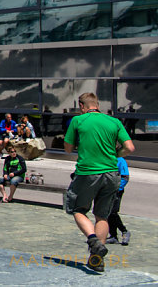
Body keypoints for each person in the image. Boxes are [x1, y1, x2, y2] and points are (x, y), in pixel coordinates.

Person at [64, 91, 134, 273]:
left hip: (88, 173)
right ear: (97, 105)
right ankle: (96, 260)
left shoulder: (78, 121)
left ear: (82, 106)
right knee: (102, 215)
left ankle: (93, 240)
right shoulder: (114, 121)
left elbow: (68, 148)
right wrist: (114, 154)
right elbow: (130, 147)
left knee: (77, 209)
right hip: (112, 174)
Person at [106, 156, 130, 246]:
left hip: (116, 191)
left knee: (113, 212)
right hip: (105, 190)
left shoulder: (120, 160)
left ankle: (124, 231)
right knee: (108, 212)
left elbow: (125, 177)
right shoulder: (105, 157)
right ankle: (113, 236)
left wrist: (117, 188)